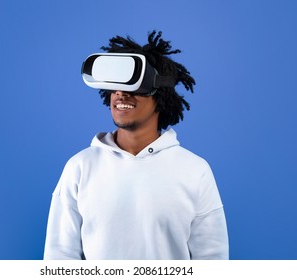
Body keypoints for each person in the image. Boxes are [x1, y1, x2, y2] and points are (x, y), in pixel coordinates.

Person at [43, 31, 229, 260]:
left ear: (160, 95)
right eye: (115, 85)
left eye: (134, 86)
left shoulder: (195, 171)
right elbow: (60, 256)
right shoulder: (79, 168)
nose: (121, 93)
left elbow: (213, 260)